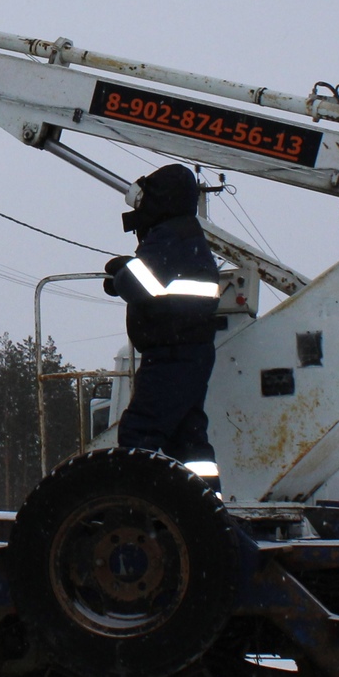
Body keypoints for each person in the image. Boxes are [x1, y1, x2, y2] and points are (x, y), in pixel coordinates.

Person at [103, 163, 226, 472]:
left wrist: (121, 273)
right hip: (191, 353)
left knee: (138, 433)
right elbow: (165, 287)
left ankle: (130, 505)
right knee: (189, 442)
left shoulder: (169, 236)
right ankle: (204, 510)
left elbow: (142, 284)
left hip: (170, 355)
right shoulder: (188, 236)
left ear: (161, 199)